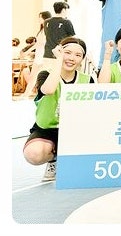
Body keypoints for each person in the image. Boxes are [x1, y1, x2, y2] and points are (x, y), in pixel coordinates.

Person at [23, 37, 95, 182]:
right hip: (47, 130)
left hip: (75, 130)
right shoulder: (45, 75)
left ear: (82, 59)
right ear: (59, 52)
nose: (71, 58)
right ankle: (54, 158)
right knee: (33, 154)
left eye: (78, 55)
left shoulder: (88, 80)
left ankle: (69, 158)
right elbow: (49, 90)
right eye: (67, 53)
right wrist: (58, 60)